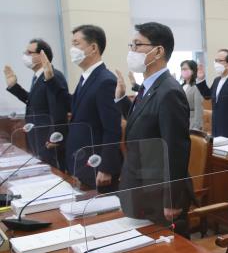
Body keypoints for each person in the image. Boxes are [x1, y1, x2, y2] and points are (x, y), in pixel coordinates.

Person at [115, 22, 191, 226]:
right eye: (131, 45)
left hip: (157, 192)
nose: (132, 51)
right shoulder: (148, 86)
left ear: (158, 51)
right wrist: (122, 100)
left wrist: (172, 199)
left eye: (137, 45)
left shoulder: (169, 91)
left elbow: (175, 149)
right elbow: (143, 124)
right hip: (140, 183)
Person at [58, 24, 122, 191]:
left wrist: (106, 168)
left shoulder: (105, 80)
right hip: (81, 162)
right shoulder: (85, 78)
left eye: (76, 43)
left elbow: (112, 129)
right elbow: (76, 111)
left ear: (93, 47)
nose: (72, 49)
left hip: (97, 166)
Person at [4, 38, 70, 167]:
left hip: (48, 140)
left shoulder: (53, 76)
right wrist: (14, 86)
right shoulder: (37, 77)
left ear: (42, 56)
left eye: (29, 52)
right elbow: (35, 103)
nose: (25, 56)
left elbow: (58, 108)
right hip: (37, 136)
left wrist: (55, 136)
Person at [195, 49, 228, 140]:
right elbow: (208, 96)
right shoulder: (217, 80)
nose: (216, 63)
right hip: (217, 128)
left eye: (220, 61)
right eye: (215, 61)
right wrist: (201, 80)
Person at [180, 60, 204, 130]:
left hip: (191, 122)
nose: (183, 71)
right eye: (182, 69)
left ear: (193, 71)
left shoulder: (196, 87)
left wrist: (196, 127)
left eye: (185, 69)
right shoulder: (180, 86)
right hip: (181, 121)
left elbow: (198, 108)